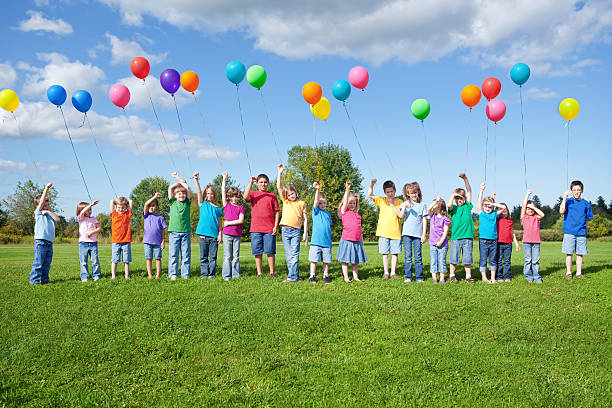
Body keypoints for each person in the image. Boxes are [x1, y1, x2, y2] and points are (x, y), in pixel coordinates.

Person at [243, 172, 280, 278]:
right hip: (256, 228)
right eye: (261, 182)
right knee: (257, 251)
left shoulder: (272, 196)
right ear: (257, 183)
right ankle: (259, 273)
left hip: (269, 228)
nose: (263, 184)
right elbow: (245, 197)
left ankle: (272, 272)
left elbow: (277, 212)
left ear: (268, 183)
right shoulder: (253, 194)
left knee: (270, 251)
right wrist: (250, 183)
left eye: (265, 182)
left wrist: (275, 226)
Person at [391, 182, 427, 282]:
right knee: (408, 257)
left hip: (417, 235)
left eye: (415, 192)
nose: (414, 195)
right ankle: (408, 277)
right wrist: (404, 207)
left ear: (418, 192)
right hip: (406, 234)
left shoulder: (422, 205)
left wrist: (423, 235)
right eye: (411, 193)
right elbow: (401, 216)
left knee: (418, 257)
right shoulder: (405, 203)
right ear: (408, 194)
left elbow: (424, 220)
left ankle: (419, 277)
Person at [277, 164, 308, 282]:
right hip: (285, 230)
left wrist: (305, 233)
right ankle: (295, 275)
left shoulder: (302, 203)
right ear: (286, 196)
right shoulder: (285, 202)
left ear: (296, 192)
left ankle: (292, 277)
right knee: (289, 255)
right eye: (289, 195)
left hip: (296, 231)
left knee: (294, 254)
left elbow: (305, 219)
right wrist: (280, 173)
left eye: (292, 193)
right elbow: (279, 187)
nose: (291, 196)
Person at [368, 179, 403, 279]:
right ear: (385, 192)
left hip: (395, 232)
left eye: (391, 191)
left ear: (395, 190)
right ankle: (386, 272)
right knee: (385, 253)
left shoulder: (399, 201)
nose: (390, 193)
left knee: (395, 253)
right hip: (383, 232)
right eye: (387, 192)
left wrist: (392, 203)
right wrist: (372, 184)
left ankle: (393, 273)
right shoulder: (382, 200)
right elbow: (370, 195)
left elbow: (400, 215)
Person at [560, 180, 593, 279]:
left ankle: (579, 273)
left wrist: (580, 223)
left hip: (581, 232)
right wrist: (565, 196)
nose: (576, 192)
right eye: (574, 190)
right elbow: (561, 211)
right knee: (569, 253)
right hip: (569, 232)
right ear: (571, 190)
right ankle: (568, 273)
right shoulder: (568, 201)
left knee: (580, 254)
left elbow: (589, 217)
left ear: (582, 191)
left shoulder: (586, 203)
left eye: (578, 190)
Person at [194, 172, 223, 279]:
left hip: (214, 237)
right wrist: (196, 180)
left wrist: (220, 234)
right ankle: (204, 274)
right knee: (203, 257)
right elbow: (198, 191)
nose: (209, 195)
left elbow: (220, 223)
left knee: (213, 257)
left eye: (211, 194)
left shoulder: (217, 208)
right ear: (205, 195)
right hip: (203, 236)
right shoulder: (202, 204)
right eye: (207, 194)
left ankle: (212, 274)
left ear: (214, 195)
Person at [30, 182, 60, 284]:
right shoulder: (38, 213)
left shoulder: (48, 214)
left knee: (47, 263)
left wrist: (48, 212)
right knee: (38, 262)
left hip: (49, 242)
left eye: (48, 204)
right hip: (41, 241)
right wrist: (46, 188)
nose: (47, 206)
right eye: (44, 205)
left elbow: (58, 219)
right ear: (39, 205)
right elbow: (42, 200)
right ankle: (34, 280)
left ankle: (44, 280)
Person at [337, 181, 367, 283]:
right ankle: (346, 277)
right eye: (350, 202)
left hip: (357, 241)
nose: (352, 204)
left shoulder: (358, 216)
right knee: (345, 260)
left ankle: (355, 277)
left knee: (355, 261)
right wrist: (347, 190)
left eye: (354, 202)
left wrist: (361, 241)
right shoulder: (344, 212)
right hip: (347, 240)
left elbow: (360, 230)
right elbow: (345, 202)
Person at [447, 173, 474, 283]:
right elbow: (448, 205)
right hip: (456, 237)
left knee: (467, 259)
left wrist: (465, 179)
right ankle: (452, 276)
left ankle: (468, 277)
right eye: (457, 198)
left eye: (461, 198)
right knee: (454, 258)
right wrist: (453, 195)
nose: (459, 200)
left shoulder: (467, 206)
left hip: (467, 237)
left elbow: (469, 191)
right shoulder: (453, 208)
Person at [476, 183, 505, 283]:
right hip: (483, 241)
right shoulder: (481, 213)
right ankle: (484, 277)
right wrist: (481, 190)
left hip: (493, 241)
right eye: (486, 206)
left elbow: (503, 208)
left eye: (489, 206)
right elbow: (479, 202)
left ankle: (492, 278)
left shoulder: (494, 214)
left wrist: (492, 203)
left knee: (493, 260)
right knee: (483, 259)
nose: (487, 208)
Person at [167, 172, 192, 280]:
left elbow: (187, 188)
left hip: (185, 232)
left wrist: (183, 184)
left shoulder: (187, 202)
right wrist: (178, 181)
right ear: (175, 196)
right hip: (174, 232)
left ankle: (185, 274)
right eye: (179, 194)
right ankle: (173, 274)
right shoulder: (172, 202)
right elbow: (170, 188)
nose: (181, 195)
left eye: (183, 193)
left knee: (186, 255)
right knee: (173, 255)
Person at [221, 172, 245, 280]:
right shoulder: (227, 205)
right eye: (232, 196)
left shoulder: (241, 208)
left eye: (236, 196)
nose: (234, 199)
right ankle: (226, 276)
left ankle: (235, 275)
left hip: (237, 235)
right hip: (227, 235)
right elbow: (222, 192)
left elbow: (241, 220)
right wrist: (224, 179)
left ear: (239, 197)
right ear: (229, 197)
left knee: (236, 256)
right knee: (227, 256)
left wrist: (228, 222)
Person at [309, 182, 332, 284]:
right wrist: (317, 190)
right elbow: (315, 200)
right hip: (316, 241)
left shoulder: (328, 214)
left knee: (326, 261)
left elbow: (329, 226)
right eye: (320, 203)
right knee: (314, 260)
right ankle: (312, 276)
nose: (322, 205)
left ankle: (325, 275)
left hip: (326, 242)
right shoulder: (316, 211)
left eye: (324, 203)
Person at [521, 190, 545, 283]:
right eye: (528, 208)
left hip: (536, 242)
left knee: (535, 261)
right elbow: (523, 206)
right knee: (528, 260)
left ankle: (536, 276)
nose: (530, 210)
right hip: (526, 242)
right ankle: (528, 276)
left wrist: (533, 207)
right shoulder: (524, 217)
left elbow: (542, 214)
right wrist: (527, 195)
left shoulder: (536, 218)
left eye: (531, 209)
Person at [143, 192, 167, 279]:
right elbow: (146, 204)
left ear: (157, 207)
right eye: (150, 205)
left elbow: (163, 231)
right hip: (147, 242)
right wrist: (154, 197)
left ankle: (158, 275)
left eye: (153, 205)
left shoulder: (160, 218)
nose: (151, 207)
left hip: (157, 243)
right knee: (149, 259)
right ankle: (150, 275)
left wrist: (163, 241)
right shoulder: (146, 215)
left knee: (158, 259)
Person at [427, 197, 450, 284]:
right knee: (433, 261)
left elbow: (445, 232)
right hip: (432, 243)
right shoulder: (432, 216)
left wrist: (441, 242)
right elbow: (429, 208)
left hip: (443, 244)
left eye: (435, 204)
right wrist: (436, 201)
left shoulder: (445, 219)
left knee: (441, 261)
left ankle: (442, 278)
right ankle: (434, 279)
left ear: (440, 206)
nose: (433, 206)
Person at [77, 200, 101, 282]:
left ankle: (96, 275)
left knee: (95, 261)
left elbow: (99, 228)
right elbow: (82, 212)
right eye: (88, 210)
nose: (89, 211)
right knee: (83, 262)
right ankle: (84, 277)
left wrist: (91, 232)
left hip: (93, 243)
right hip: (83, 244)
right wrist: (91, 204)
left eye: (90, 209)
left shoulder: (93, 219)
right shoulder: (81, 218)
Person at [110, 196, 133, 280]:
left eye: (123, 207)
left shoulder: (127, 214)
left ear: (126, 207)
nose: (120, 209)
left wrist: (126, 204)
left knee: (126, 260)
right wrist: (116, 202)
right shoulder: (114, 214)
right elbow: (111, 201)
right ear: (116, 207)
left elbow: (131, 202)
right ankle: (113, 276)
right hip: (116, 242)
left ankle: (127, 276)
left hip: (126, 241)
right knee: (115, 260)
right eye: (119, 207)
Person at [495, 203, 520, 282]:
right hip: (499, 243)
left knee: (507, 261)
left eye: (505, 211)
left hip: (508, 244)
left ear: (508, 212)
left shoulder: (510, 222)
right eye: (501, 211)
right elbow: (492, 212)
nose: (503, 213)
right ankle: (499, 276)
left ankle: (507, 276)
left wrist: (515, 242)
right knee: (498, 261)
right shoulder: (496, 220)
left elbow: (512, 233)